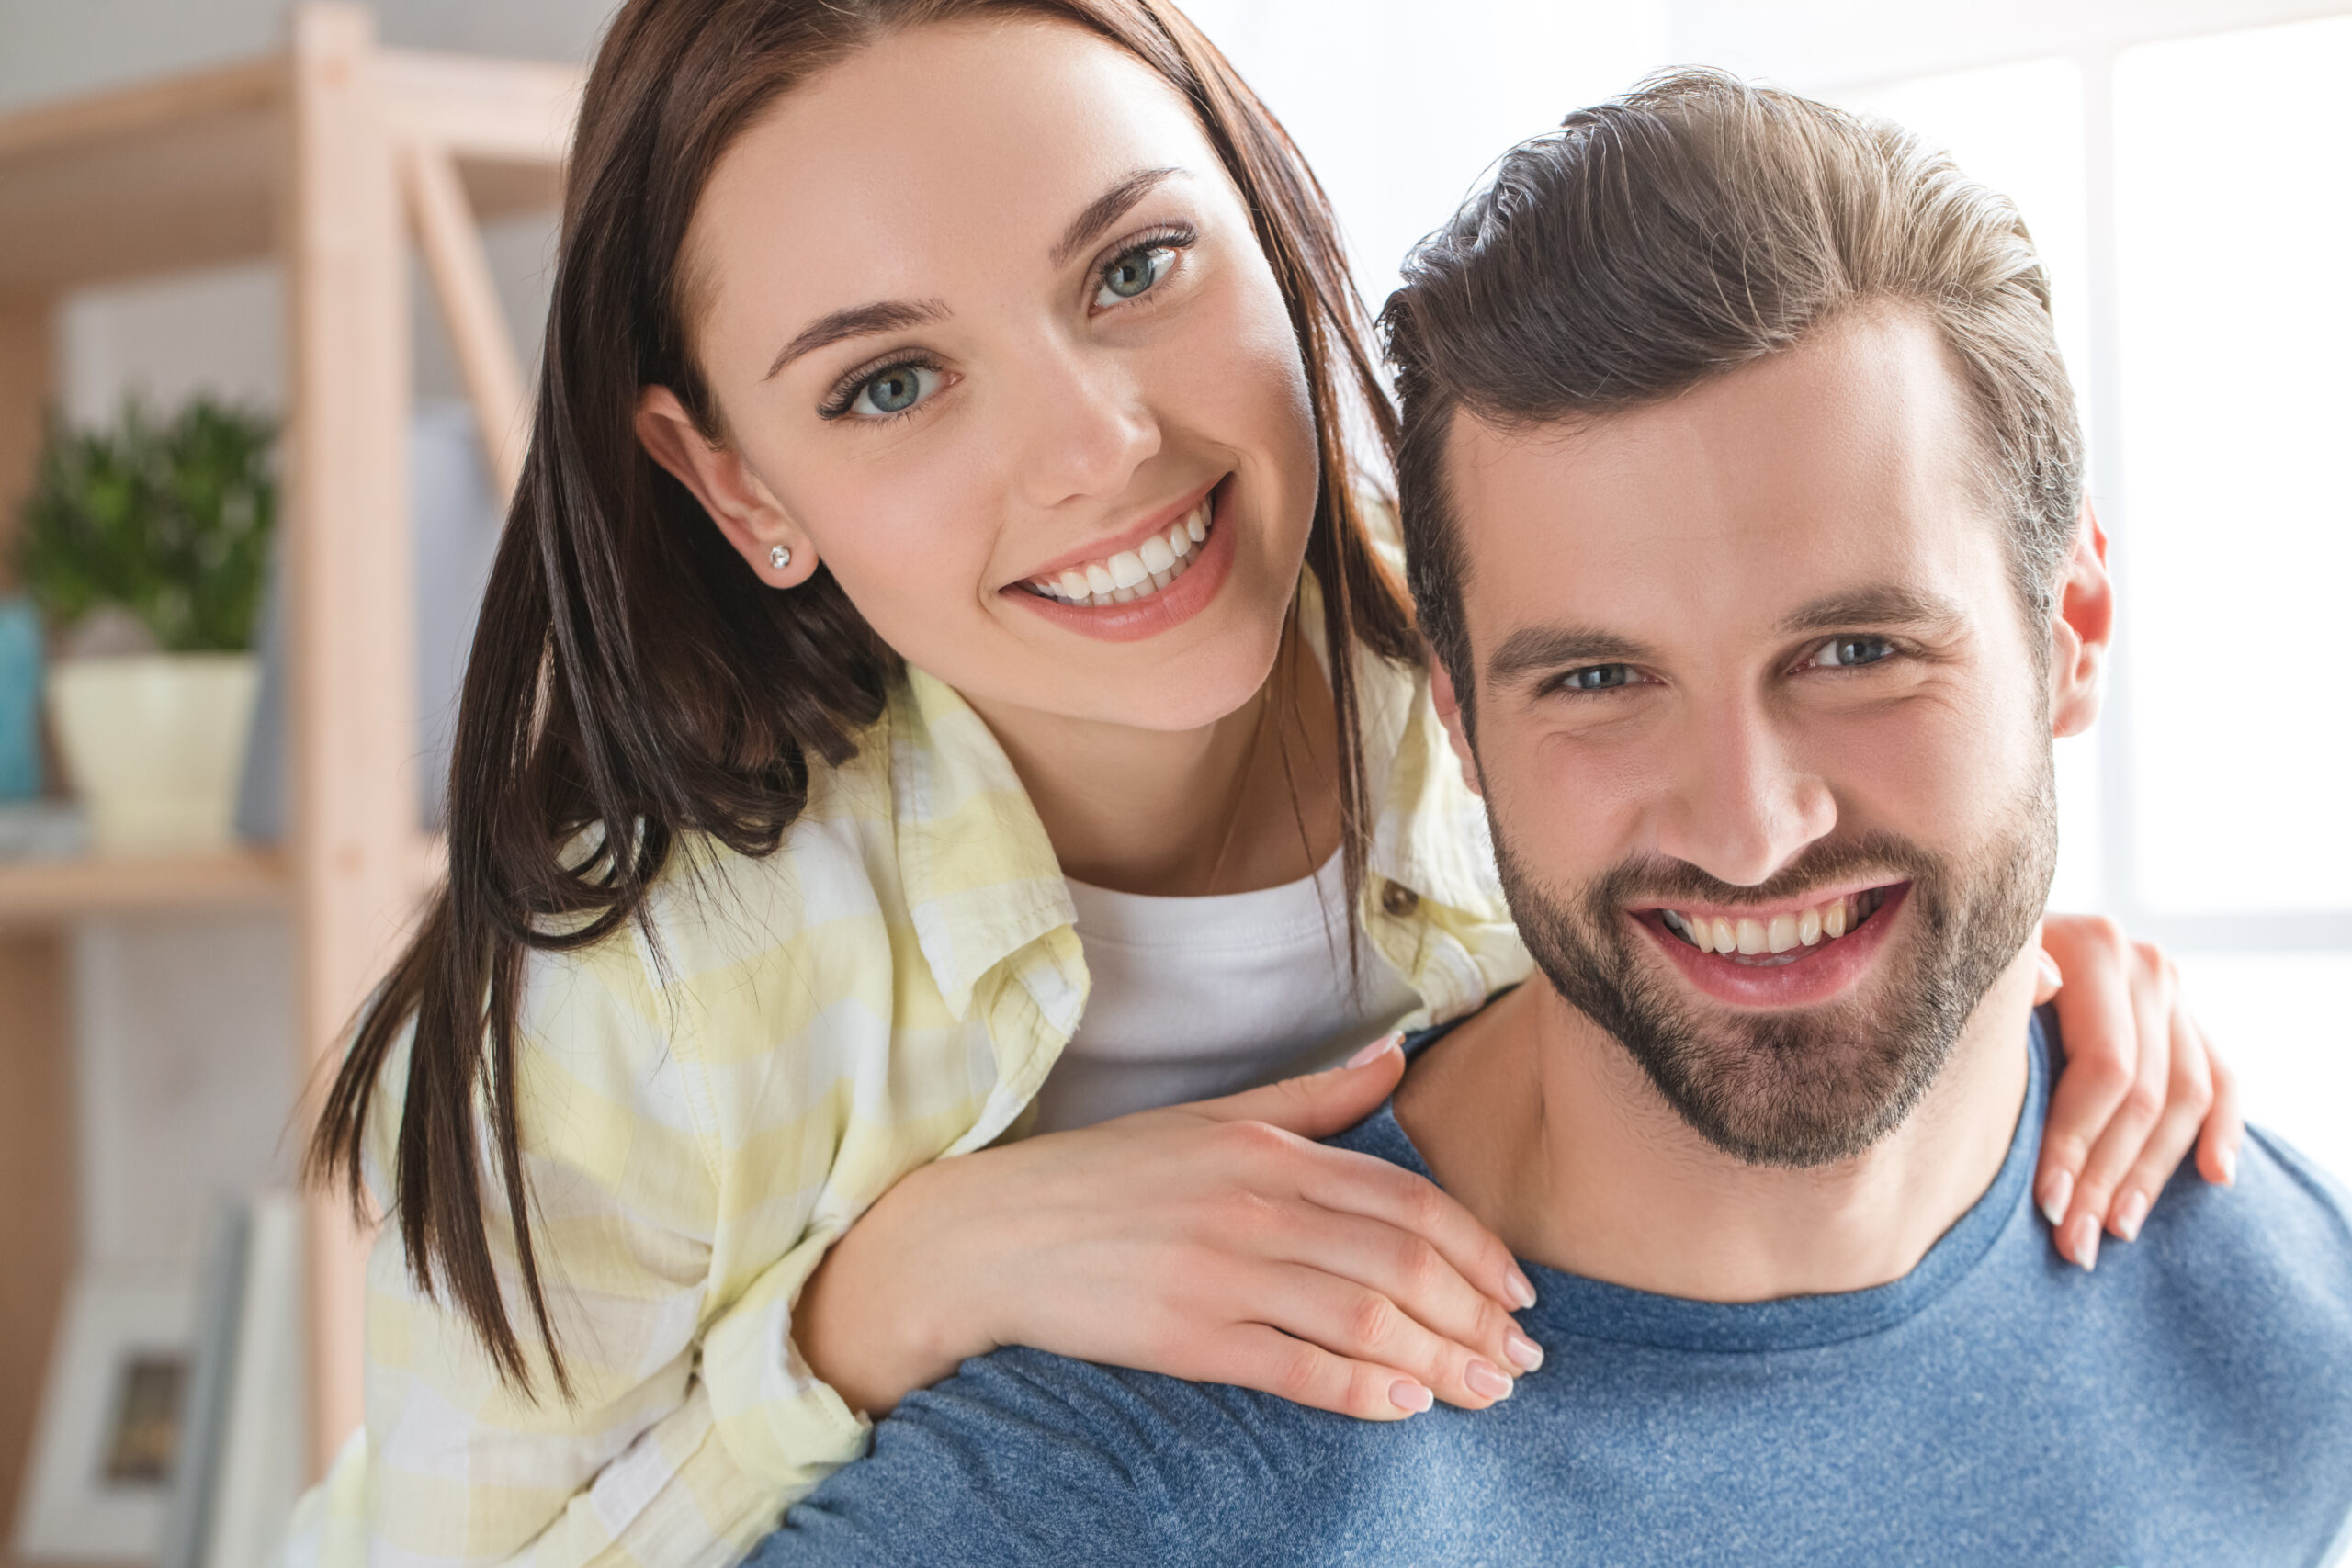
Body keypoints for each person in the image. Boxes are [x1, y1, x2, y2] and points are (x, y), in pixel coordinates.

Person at [287, 6, 2243, 1565]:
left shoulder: (1519, 683)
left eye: (1134, 265)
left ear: (1261, 206)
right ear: (735, 486)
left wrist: (2009, 986)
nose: (1095, 444)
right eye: (889, 381)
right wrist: (876, 1301)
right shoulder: (650, 1009)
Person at [746, 72, 2352, 1565]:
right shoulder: (1158, 1459)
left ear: (2068, 624)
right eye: (1596, 678)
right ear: (1457, 712)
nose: (1748, 828)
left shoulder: (2275, 1314)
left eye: (1855, 653)